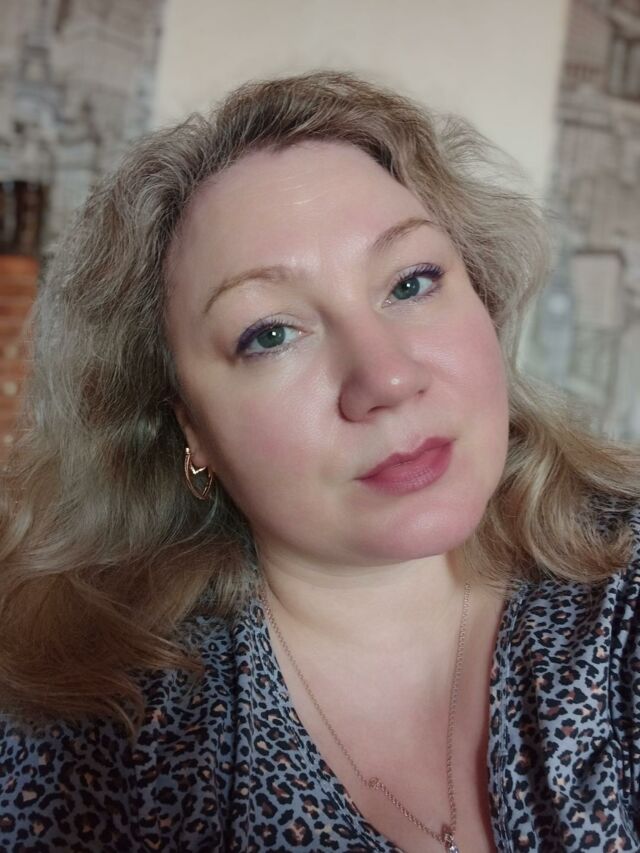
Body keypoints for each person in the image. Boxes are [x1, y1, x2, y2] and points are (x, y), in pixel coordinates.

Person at [0, 70, 638, 853]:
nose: (387, 378)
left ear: (485, 297)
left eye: (411, 282)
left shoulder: (623, 604)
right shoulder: (83, 754)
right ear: (189, 427)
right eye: (270, 333)